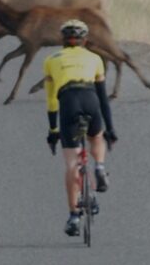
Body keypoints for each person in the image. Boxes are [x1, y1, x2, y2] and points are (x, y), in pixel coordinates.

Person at [42, 19, 118, 237]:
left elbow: (51, 100)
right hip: (90, 100)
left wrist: (53, 131)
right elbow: (103, 99)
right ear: (85, 40)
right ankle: (100, 167)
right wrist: (110, 129)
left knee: (72, 163)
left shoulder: (50, 60)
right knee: (96, 137)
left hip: (68, 103)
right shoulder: (95, 58)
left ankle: (74, 216)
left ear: (62, 40)